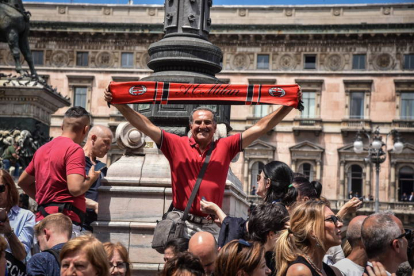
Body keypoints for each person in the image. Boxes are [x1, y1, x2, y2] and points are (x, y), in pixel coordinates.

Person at [104, 88, 300, 237]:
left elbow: (260, 127)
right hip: (183, 223)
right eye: (198, 122)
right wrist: (120, 105)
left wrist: (287, 106)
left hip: (211, 226)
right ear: (191, 126)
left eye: (207, 122)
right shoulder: (175, 144)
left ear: (215, 127)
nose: (202, 126)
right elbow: (145, 125)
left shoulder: (226, 146)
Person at [18, 106, 100, 237]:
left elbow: (23, 182)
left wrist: (45, 201)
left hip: (42, 220)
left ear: (62, 126)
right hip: (64, 225)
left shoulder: (41, 150)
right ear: (85, 130)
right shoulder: (74, 149)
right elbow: (76, 188)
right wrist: (91, 178)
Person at [275, 200, 342, 276]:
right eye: (331, 219)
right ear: (312, 231)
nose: (340, 224)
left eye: (337, 219)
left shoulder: (333, 271)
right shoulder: (300, 271)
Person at [82, 125, 113, 232]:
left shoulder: (103, 168)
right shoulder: (76, 161)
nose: (108, 148)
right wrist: (94, 205)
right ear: (93, 138)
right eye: (106, 142)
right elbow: (69, 192)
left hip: (98, 225)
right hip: (80, 224)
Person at [0, 169, 35, 262]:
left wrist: (9, 233)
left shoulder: (26, 216)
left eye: (0, 189)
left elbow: (22, 255)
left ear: (10, 188)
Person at [248, 203, 289, 276]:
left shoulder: (248, 252)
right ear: (271, 234)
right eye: (283, 231)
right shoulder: (251, 261)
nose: (268, 271)